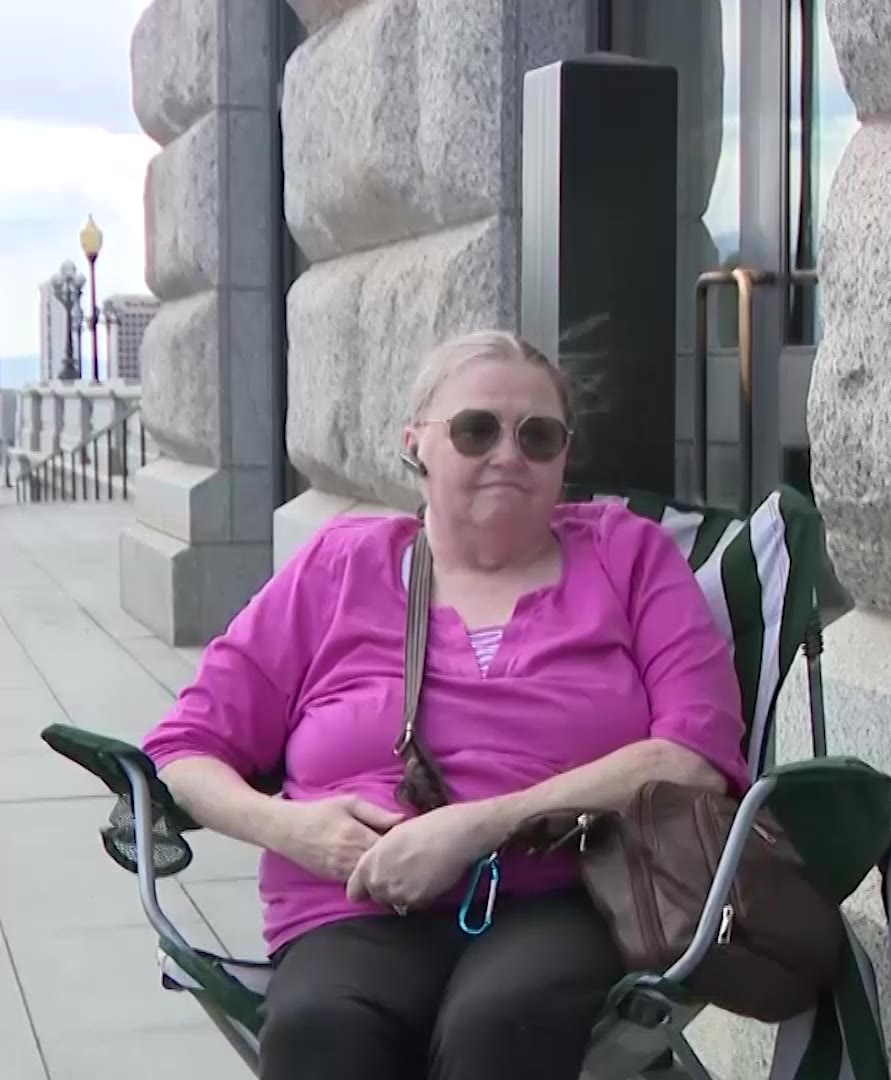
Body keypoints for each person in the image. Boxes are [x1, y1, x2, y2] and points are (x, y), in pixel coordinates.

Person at [142, 330, 749, 1080]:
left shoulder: (630, 557)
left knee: (501, 1022)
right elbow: (182, 752)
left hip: (570, 891)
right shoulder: (340, 567)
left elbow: (694, 758)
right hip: (356, 905)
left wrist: (478, 826)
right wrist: (296, 829)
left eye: (539, 436)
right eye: (476, 430)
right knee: (316, 1030)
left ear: (565, 455)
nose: (509, 454)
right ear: (416, 445)